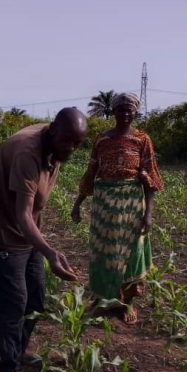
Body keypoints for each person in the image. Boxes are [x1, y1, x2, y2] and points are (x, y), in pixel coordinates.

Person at [0, 107, 87, 372]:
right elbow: (23, 215)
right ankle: (9, 370)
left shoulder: (53, 143)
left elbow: (29, 218)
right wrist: (51, 252)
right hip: (6, 236)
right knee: (12, 303)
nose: (72, 148)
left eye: (78, 143)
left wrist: (43, 248)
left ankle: (19, 351)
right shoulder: (28, 154)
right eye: (68, 141)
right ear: (53, 130)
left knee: (36, 298)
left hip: (28, 237)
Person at [71, 92, 164, 324]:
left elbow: (150, 180)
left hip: (132, 203)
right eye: (120, 109)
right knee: (104, 254)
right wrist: (77, 204)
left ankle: (126, 304)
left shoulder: (143, 140)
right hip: (105, 205)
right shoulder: (102, 140)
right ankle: (102, 301)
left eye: (129, 109)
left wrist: (148, 214)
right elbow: (91, 174)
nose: (125, 113)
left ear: (135, 112)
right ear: (113, 112)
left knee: (131, 255)